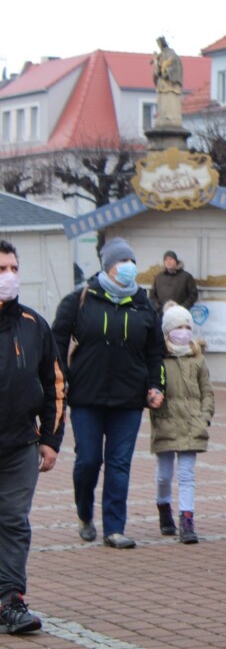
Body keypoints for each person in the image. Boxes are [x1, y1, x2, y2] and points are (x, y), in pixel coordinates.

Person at [52, 238, 165, 549]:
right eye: (121, 263)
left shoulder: (144, 305)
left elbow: (156, 352)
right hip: (86, 396)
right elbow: (56, 341)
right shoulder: (81, 300)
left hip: (128, 399)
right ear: (108, 267)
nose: (128, 268)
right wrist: (62, 378)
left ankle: (114, 528)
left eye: (131, 261)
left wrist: (157, 385)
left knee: (119, 464)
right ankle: (85, 513)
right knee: (88, 461)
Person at [0, 240, 65, 636]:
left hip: (21, 444)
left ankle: (11, 600)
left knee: (13, 522)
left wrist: (51, 438)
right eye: (0, 268)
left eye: (12, 267)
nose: (8, 276)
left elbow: (54, 381)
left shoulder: (33, 323)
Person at [150, 303, 214, 544]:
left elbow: (207, 391)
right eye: (179, 326)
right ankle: (163, 506)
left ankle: (187, 520)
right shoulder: (159, 359)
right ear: (167, 330)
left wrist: (204, 415)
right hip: (166, 423)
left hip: (191, 424)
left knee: (187, 474)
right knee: (164, 475)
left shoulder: (197, 359)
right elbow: (152, 387)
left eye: (188, 326)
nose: (184, 331)